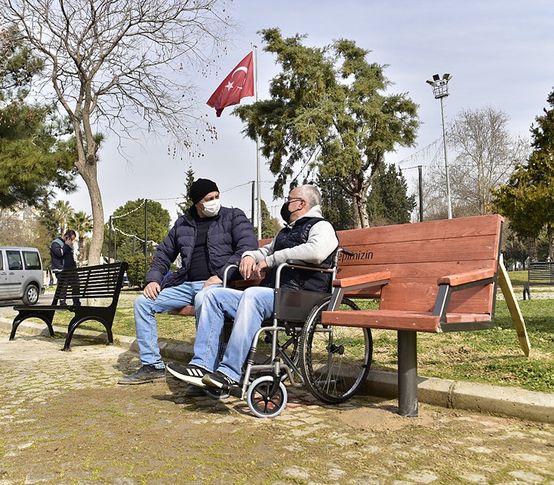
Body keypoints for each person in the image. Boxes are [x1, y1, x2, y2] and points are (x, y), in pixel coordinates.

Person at [166, 184, 339, 392]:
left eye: (289, 200)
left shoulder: (321, 226)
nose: (285, 204)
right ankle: (202, 366)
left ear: (301, 204)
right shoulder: (286, 232)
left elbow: (317, 252)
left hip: (303, 298)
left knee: (252, 295)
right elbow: (262, 251)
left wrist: (273, 259)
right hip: (276, 295)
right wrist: (249, 255)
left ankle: (229, 373)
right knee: (210, 295)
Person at [118, 178, 258, 385]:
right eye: (209, 198)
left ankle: (204, 369)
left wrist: (221, 276)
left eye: (217, 196)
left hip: (219, 284)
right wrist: (153, 280)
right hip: (186, 284)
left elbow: (247, 244)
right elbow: (163, 253)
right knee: (143, 303)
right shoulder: (183, 223)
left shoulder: (233, 216)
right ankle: (152, 365)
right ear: (196, 203)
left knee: (204, 298)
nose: (214, 201)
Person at [50, 230, 80, 306]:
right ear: (66, 237)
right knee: (64, 284)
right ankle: (62, 302)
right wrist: (66, 245)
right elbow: (59, 254)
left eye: (73, 240)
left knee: (76, 284)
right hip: (61, 270)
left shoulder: (69, 245)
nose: (72, 241)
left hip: (71, 270)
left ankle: (76, 303)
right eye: (71, 239)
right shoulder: (55, 243)